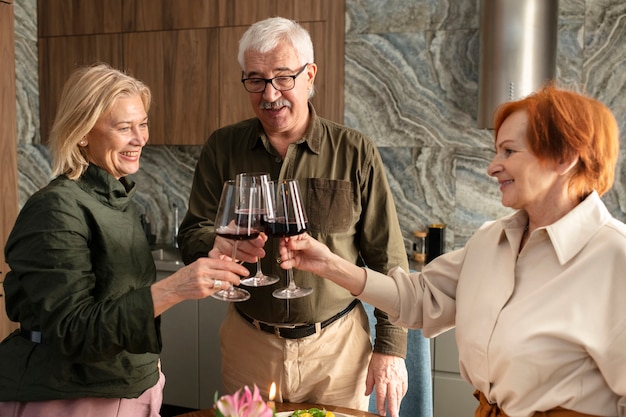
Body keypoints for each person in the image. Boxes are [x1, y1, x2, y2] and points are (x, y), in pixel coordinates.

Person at [277, 85, 626, 417]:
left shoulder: (613, 258)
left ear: (563, 157)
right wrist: (328, 264)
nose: (492, 166)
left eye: (509, 151)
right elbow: (417, 299)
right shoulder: (491, 241)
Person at [177, 16, 410, 416]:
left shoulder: (354, 151)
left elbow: (387, 259)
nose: (270, 94)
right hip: (249, 342)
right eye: (256, 79)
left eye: (283, 77)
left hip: (336, 349)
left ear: (309, 75)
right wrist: (217, 245)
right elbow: (193, 233)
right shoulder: (223, 147)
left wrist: (390, 347)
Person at [0, 63, 247, 417]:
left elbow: (117, 299)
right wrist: (176, 288)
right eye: (124, 127)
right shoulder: (55, 209)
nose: (140, 138)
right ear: (82, 132)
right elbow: (73, 330)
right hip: (70, 396)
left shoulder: (113, 195)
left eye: (142, 123)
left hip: (129, 384)